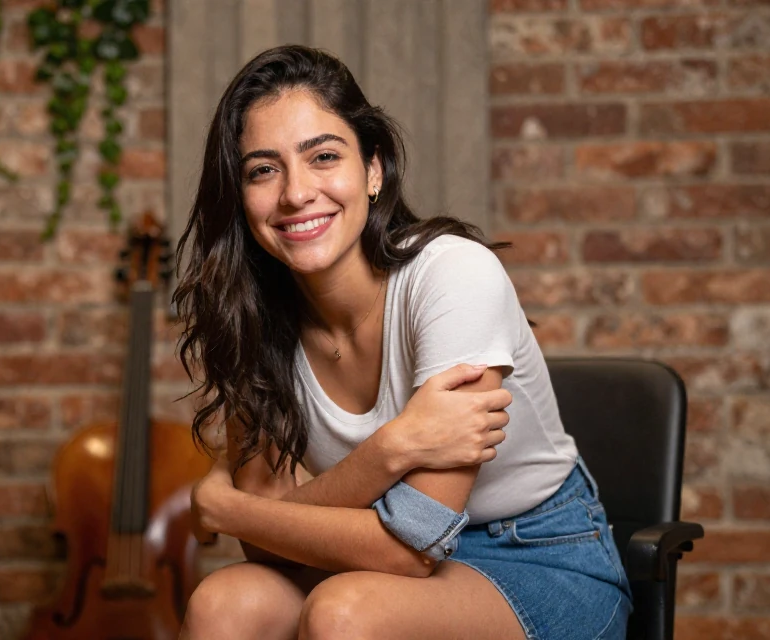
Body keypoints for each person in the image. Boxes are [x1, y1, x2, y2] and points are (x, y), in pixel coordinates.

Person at [171, 45, 631, 640]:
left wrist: (230, 511)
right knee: (221, 603)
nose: (295, 193)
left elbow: (412, 544)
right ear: (240, 195)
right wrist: (390, 451)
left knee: (344, 613)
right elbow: (268, 552)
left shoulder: (453, 277)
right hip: (365, 556)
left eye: (324, 157)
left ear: (373, 170)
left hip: (537, 556)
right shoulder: (251, 320)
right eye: (263, 169)